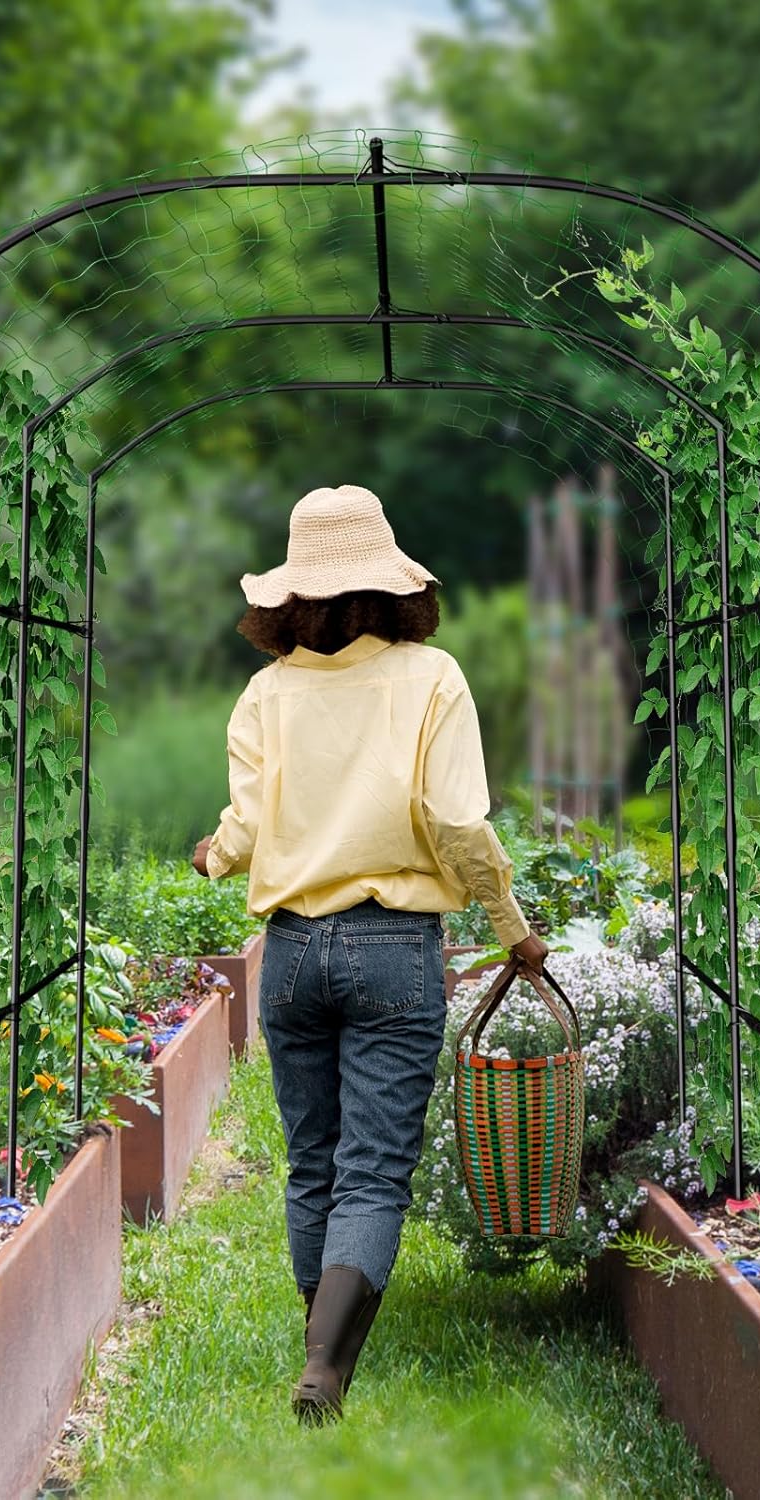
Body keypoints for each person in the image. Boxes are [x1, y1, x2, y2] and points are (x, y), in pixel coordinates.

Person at [191, 482, 549, 1425]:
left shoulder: (267, 692)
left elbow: (246, 824)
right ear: (394, 585)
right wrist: (510, 925)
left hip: (291, 952)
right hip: (394, 950)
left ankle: (318, 1346)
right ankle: (326, 1366)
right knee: (375, 1167)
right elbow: (457, 821)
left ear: (292, 596)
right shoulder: (433, 679)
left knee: (312, 1157)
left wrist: (213, 856)